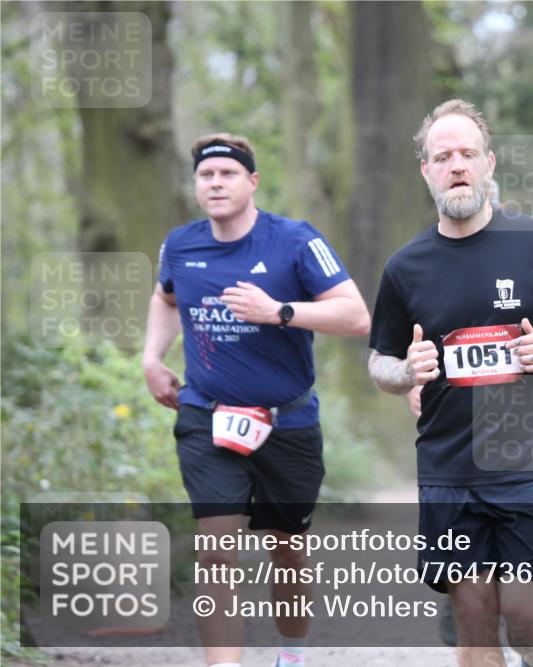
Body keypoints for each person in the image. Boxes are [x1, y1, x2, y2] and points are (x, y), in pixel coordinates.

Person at [367, 99, 533, 667]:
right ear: (426, 171)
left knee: (526, 616)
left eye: (468, 153)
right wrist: (406, 372)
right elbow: (379, 362)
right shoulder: (404, 268)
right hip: (448, 468)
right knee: (473, 624)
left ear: (489, 163)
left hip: (526, 463)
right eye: (442, 156)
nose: (457, 165)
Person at [142, 133, 370, 667]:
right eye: (206, 175)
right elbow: (164, 297)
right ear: (196, 185)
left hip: (286, 422)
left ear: (252, 182)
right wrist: (152, 357)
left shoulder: (295, 240)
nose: (216, 183)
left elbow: (356, 315)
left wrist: (280, 312)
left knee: (287, 548)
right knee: (217, 547)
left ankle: (291, 654)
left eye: (227, 174)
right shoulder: (181, 245)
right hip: (207, 415)